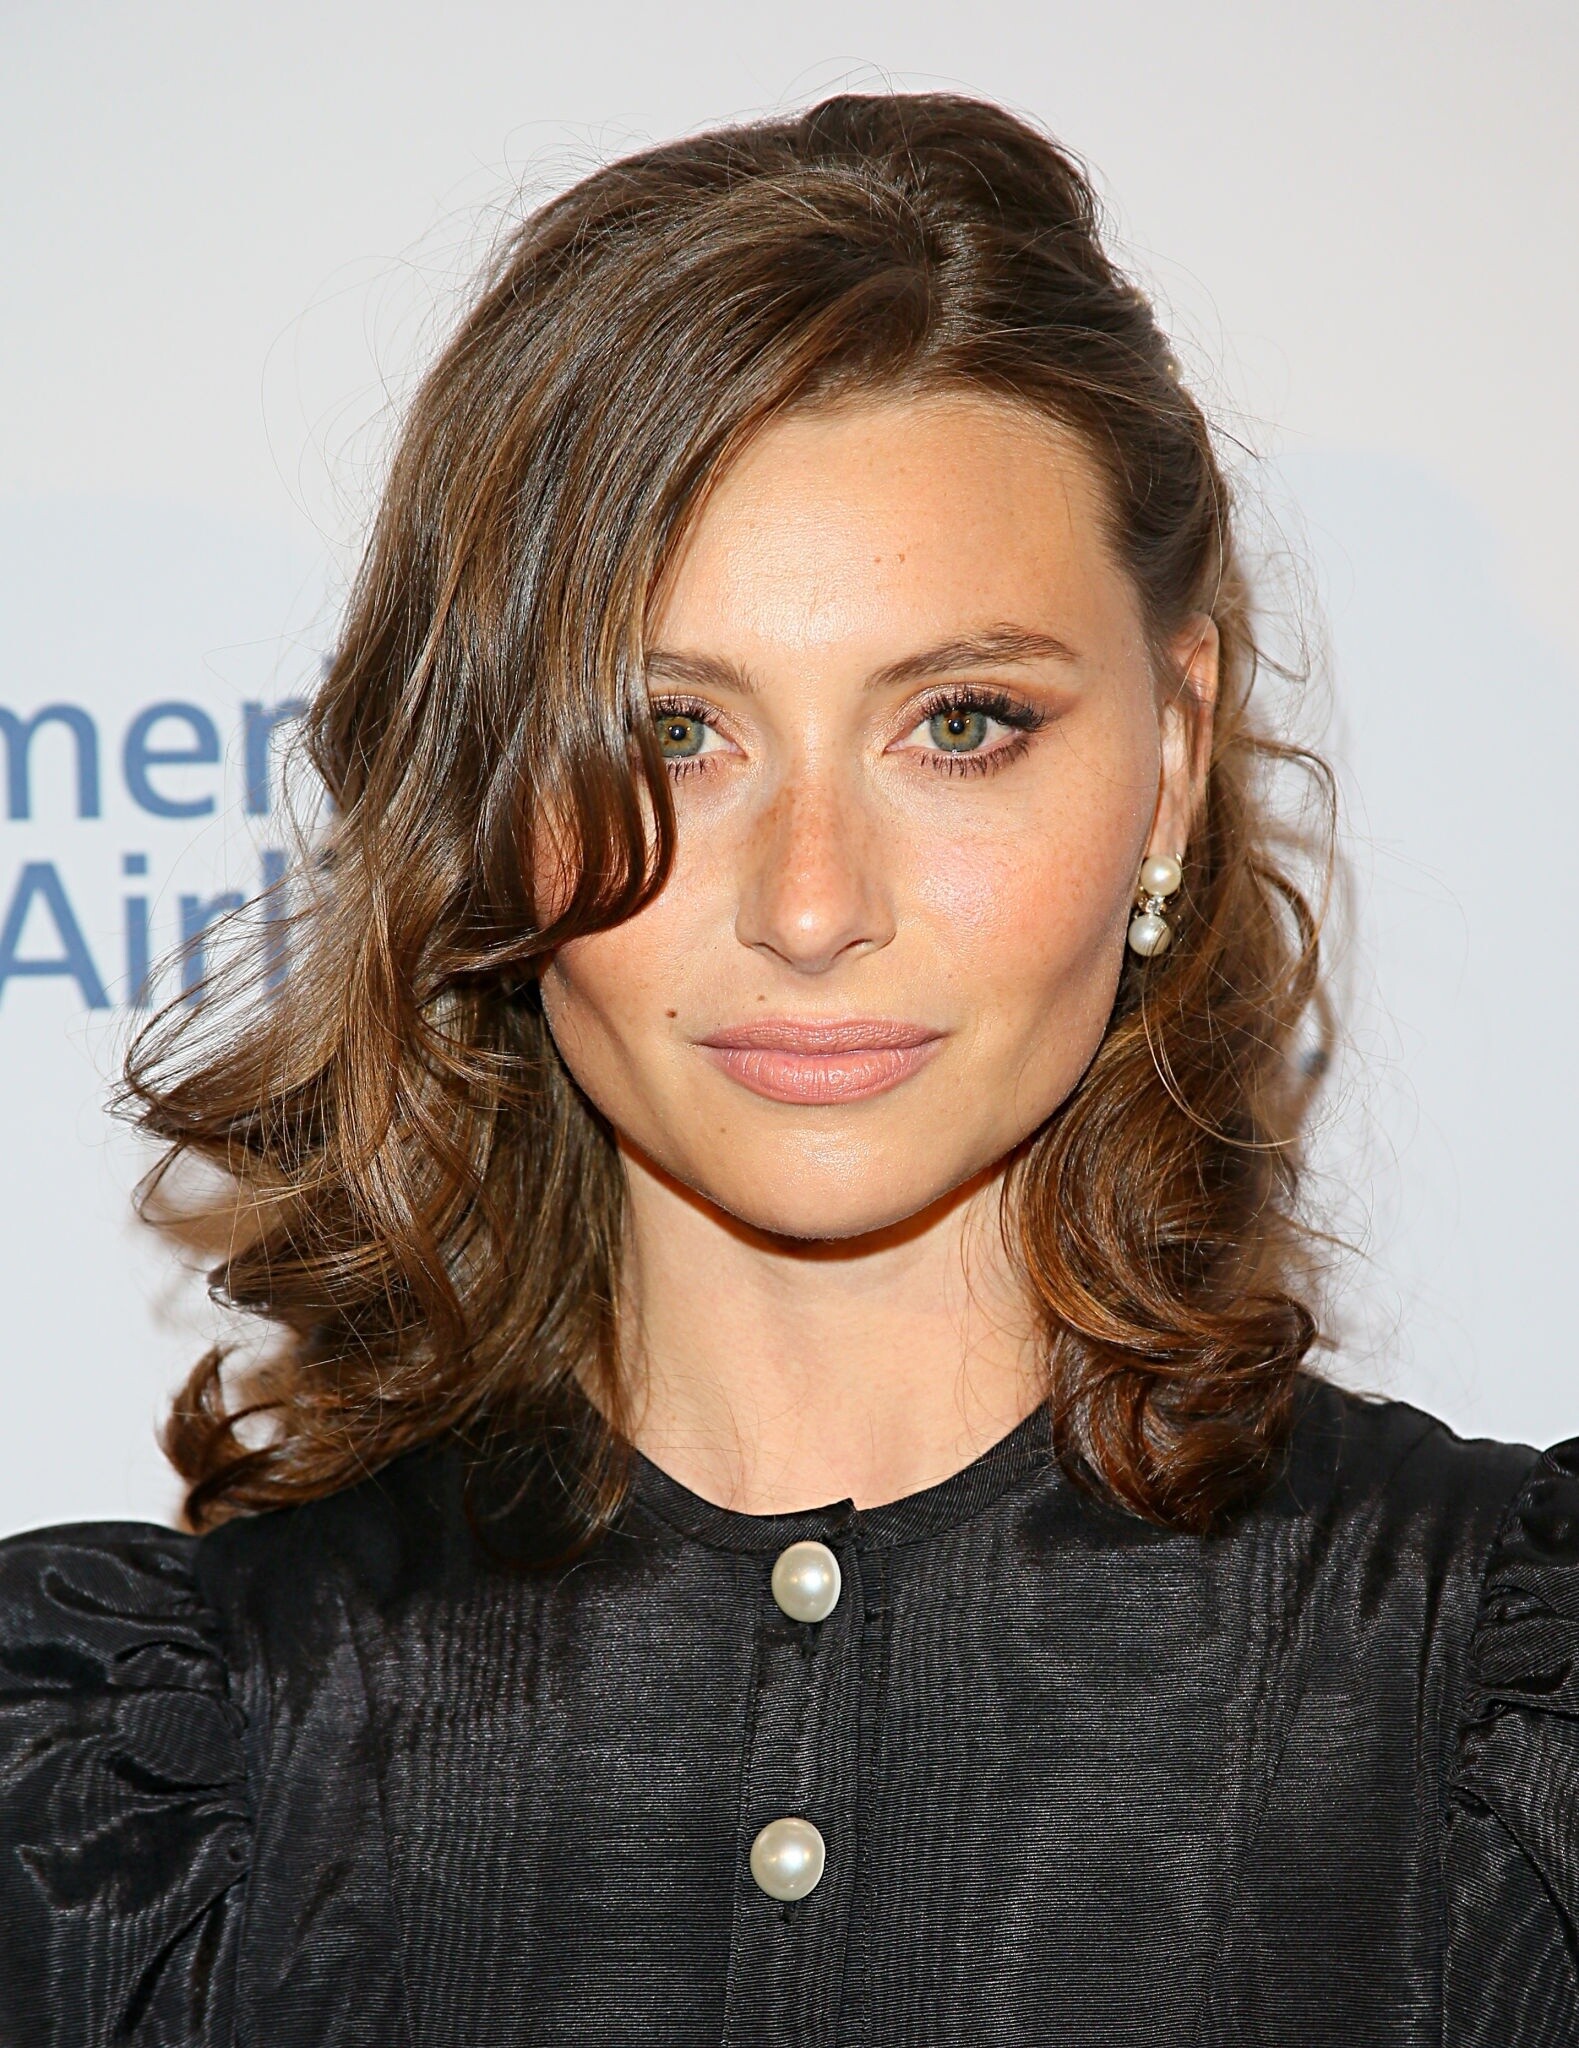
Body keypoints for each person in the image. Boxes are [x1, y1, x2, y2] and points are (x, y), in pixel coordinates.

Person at [0, 90, 1573, 2047]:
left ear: (1172, 761)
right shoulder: (148, 1803)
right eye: (672, 732)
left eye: (962, 721)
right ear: (483, 790)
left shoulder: (1492, 1708)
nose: (812, 904)